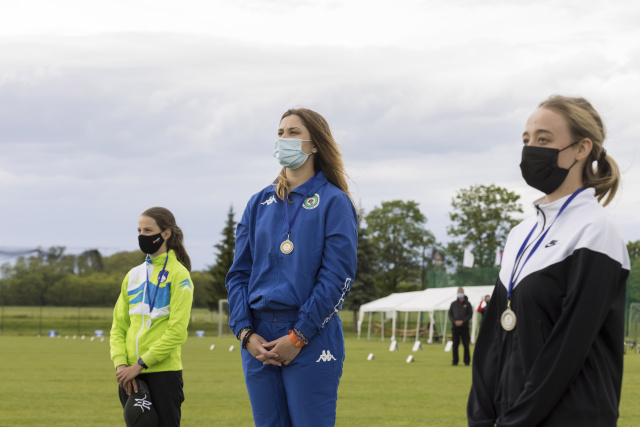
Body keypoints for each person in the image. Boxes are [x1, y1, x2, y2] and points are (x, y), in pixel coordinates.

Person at [468, 95, 630, 427]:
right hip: (512, 416)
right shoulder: (519, 234)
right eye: (526, 140)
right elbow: (492, 340)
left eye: (544, 139)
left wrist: (517, 420)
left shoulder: (596, 231)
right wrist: (482, 416)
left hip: (572, 417)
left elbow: (568, 348)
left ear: (582, 149)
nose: (531, 149)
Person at [226, 108, 358, 427]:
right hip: (258, 337)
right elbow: (238, 276)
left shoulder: (334, 202)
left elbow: (336, 277)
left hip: (310, 334)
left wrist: (298, 336)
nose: (284, 139)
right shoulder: (257, 204)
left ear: (315, 145)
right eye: (280, 133)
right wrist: (245, 333)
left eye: (294, 132)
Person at [110, 207, 194, 427]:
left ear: (165, 233)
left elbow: (176, 332)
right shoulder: (133, 275)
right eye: (139, 230)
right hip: (129, 375)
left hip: (163, 373)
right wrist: (121, 366)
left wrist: (140, 364)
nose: (142, 235)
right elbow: (118, 327)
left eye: (148, 230)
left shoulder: (179, 275)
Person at [449, 287, 472, 366]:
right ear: (457, 293)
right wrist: (454, 321)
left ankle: (467, 361)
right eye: (459, 292)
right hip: (455, 327)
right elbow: (450, 314)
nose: (460, 293)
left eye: (461, 292)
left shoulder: (467, 304)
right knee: (455, 345)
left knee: (466, 344)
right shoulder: (453, 304)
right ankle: (455, 361)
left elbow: (470, 314)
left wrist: (463, 321)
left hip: (464, 327)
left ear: (464, 293)